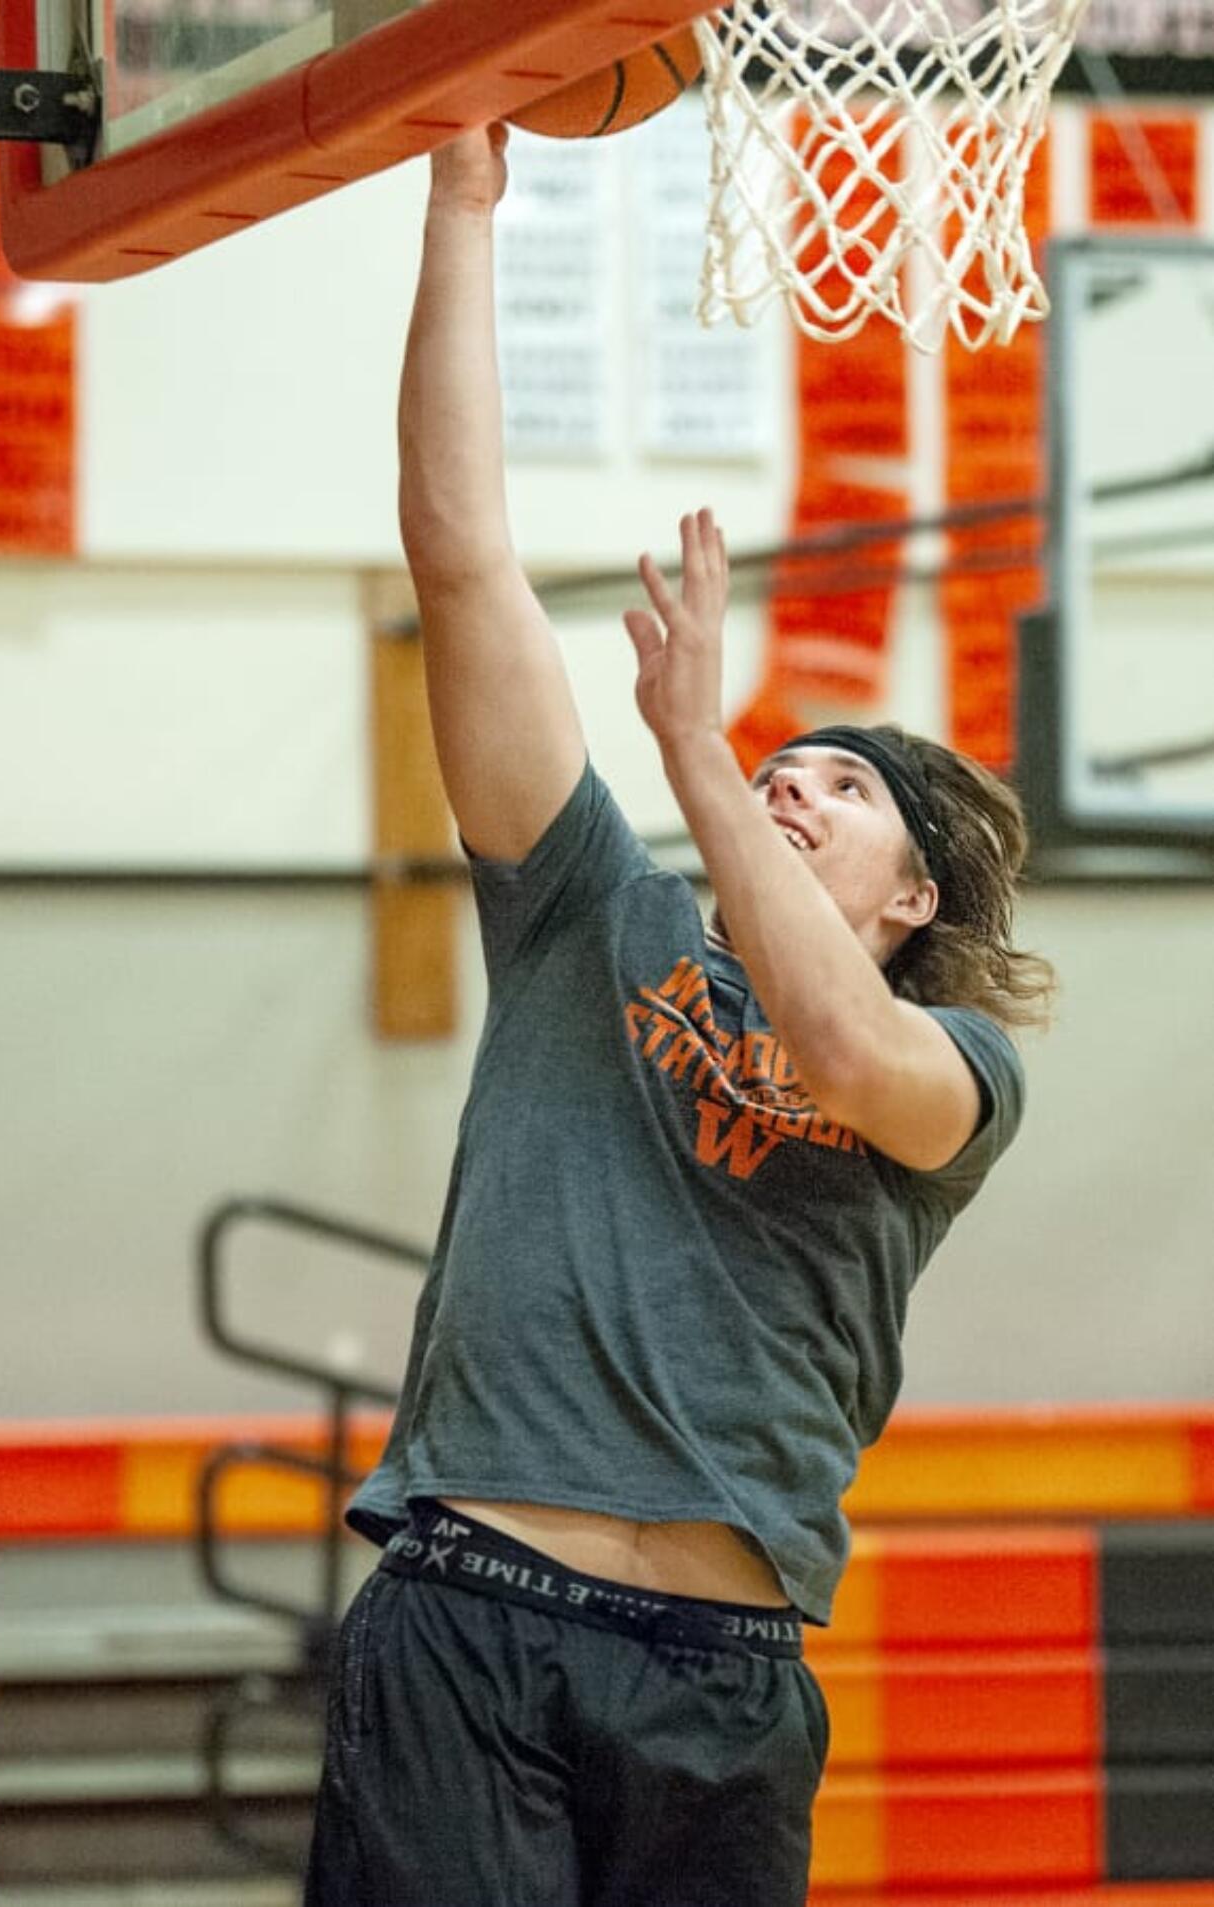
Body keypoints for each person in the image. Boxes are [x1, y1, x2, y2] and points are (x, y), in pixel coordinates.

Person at [303, 122, 1053, 1907]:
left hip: (724, 1676)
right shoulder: (592, 917)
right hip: (474, 1617)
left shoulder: (961, 1076)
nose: (791, 794)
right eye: (774, 774)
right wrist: (464, 207)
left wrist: (705, 751)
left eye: (837, 791)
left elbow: (842, 1054)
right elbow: (464, 559)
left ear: (917, 898)